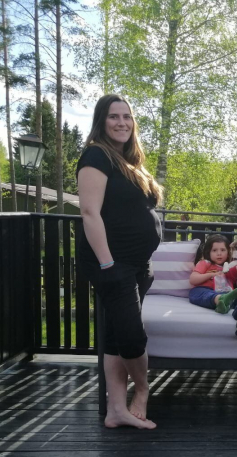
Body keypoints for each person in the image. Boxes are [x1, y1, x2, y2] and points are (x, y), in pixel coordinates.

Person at [77, 94, 163, 430]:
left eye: (127, 116)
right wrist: (107, 264)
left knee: (115, 335)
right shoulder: (96, 155)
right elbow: (89, 212)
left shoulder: (128, 161)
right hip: (113, 263)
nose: (122, 122)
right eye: (114, 116)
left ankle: (115, 410)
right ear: (102, 121)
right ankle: (142, 390)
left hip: (136, 264)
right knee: (131, 337)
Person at [188, 234, 237, 313]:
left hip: (226, 292)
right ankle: (221, 300)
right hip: (205, 290)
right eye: (214, 250)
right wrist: (211, 275)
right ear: (208, 252)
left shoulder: (231, 266)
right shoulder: (205, 263)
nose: (219, 253)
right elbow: (193, 280)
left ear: (228, 252)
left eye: (223, 250)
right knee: (196, 293)